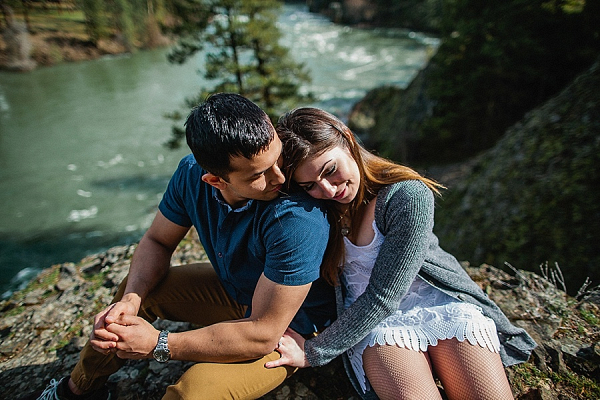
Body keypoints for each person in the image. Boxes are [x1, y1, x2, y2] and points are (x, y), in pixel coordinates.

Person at [25, 94, 336, 400]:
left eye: (277, 157)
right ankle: (78, 390)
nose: (280, 177)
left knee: (193, 392)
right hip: (237, 290)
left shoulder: (298, 218)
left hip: (291, 327)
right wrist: (132, 301)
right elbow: (157, 241)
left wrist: (158, 344)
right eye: (258, 174)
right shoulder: (191, 175)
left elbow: (262, 333)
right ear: (216, 181)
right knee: (129, 300)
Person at [266, 107, 537, 400]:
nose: (328, 189)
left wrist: (313, 352)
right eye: (309, 186)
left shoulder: (407, 196)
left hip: (440, 306)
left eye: (330, 170)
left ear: (346, 137)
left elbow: (384, 295)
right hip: (378, 327)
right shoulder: (314, 212)